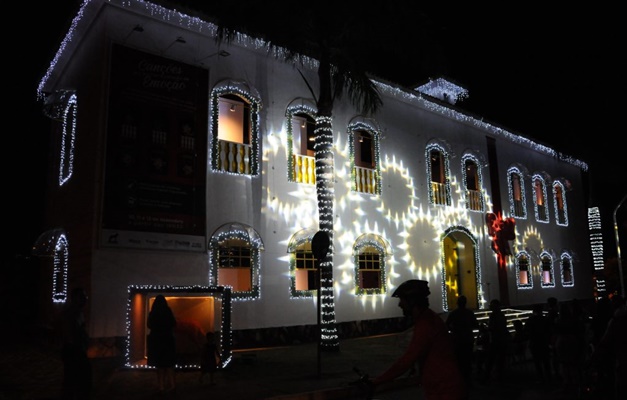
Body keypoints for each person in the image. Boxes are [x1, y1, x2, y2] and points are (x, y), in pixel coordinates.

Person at [371, 279, 468, 400]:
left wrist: (377, 381)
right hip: (439, 388)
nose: (399, 304)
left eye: (402, 300)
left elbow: (408, 358)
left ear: (412, 301)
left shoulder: (426, 324)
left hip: (444, 390)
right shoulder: (426, 318)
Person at [60, 287, 92, 399]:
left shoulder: (78, 311)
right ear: (75, 298)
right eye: (82, 297)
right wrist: (75, 344)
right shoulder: (71, 312)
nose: (85, 299)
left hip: (77, 349)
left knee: (77, 378)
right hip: (73, 350)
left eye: (85, 297)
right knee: (73, 377)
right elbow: (69, 331)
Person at [445, 295, 478, 386]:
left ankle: (459, 379)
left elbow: (446, 324)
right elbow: (475, 324)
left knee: (458, 360)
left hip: (457, 339)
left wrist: (453, 330)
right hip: (467, 338)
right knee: (467, 360)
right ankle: (467, 379)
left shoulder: (454, 313)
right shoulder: (469, 313)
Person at [147, 294, 177, 392]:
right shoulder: (168, 311)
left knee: (159, 366)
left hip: (156, 341)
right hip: (167, 340)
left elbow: (149, 325)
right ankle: (172, 385)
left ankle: (161, 386)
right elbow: (173, 323)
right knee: (169, 364)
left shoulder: (153, 313)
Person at [481, 298, 510, 383]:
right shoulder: (501, 315)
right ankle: (499, 377)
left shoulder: (493, 315)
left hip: (495, 340)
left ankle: (488, 377)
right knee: (500, 360)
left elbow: (493, 328)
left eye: (491, 305)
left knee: (491, 359)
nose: (490, 307)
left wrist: (486, 328)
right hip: (501, 340)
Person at [524, 303, 552, 383]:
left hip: (534, 343)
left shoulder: (530, 320)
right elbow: (550, 331)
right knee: (546, 361)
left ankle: (541, 378)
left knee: (537, 362)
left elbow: (526, 331)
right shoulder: (545, 319)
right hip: (544, 342)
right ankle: (549, 377)